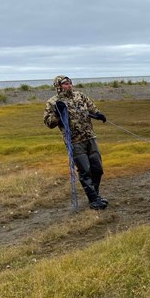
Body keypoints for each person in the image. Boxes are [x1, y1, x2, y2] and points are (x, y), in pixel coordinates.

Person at [43, 75, 109, 210]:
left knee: (98, 169)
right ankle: (93, 200)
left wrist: (99, 114)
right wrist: (58, 113)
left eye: (70, 83)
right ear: (58, 86)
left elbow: (92, 109)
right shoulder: (53, 102)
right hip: (74, 141)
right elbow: (49, 123)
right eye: (66, 83)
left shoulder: (80, 96)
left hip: (90, 137)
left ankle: (95, 195)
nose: (69, 85)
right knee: (85, 170)